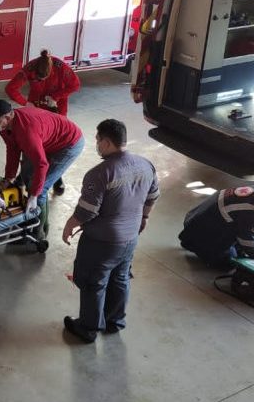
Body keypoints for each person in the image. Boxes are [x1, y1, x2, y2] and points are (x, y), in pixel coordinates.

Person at [61, 119, 160, 343]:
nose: (96, 145)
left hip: (101, 241)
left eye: (97, 140)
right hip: (130, 237)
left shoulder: (100, 173)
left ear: (106, 143)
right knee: (120, 278)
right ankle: (114, 321)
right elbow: (153, 195)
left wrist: (69, 225)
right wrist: (143, 217)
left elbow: (87, 211)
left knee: (93, 282)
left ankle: (88, 328)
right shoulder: (145, 164)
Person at [0, 99, 84, 237]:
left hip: (68, 144)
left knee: (40, 190)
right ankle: (30, 219)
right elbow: (12, 149)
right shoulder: (5, 127)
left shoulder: (26, 131)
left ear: (9, 116)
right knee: (27, 176)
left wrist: (34, 195)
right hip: (46, 139)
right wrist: (9, 177)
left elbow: (42, 164)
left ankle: (38, 233)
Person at [5, 49, 81, 195]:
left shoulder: (61, 67)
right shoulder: (30, 68)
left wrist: (56, 96)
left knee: (55, 145)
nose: (40, 82)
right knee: (32, 147)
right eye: (38, 80)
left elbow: (75, 85)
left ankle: (56, 178)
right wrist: (25, 103)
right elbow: (10, 88)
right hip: (36, 112)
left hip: (57, 111)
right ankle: (23, 176)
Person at [179, 186, 254, 270]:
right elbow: (249, 244)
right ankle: (193, 244)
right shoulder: (252, 214)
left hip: (196, 216)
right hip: (202, 228)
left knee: (239, 249)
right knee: (228, 264)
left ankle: (192, 240)